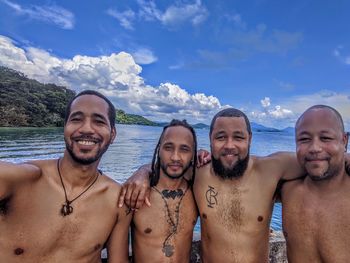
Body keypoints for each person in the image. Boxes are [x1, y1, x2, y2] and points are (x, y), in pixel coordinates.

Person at [119, 108, 306, 262]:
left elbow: (317, 161)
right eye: (221, 137)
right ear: (210, 139)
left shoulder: (271, 169)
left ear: (250, 138)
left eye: (238, 137)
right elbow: (171, 164)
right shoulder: (198, 173)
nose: (229, 145)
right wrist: (143, 171)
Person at [0, 90, 131, 263]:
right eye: (76, 119)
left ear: (112, 134)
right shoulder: (20, 180)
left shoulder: (117, 201)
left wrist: (146, 170)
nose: (86, 129)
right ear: (65, 127)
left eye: (99, 121)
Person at [281, 105, 350, 262]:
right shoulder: (287, 190)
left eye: (325, 138)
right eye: (304, 139)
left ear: (344, 140)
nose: (314, 148)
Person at [131, 119, 198, 262]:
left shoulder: (197, 192)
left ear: (193, 154)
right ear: (159, 150)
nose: (175, 157)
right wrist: (143, 171)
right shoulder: (136, 194)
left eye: (184, 149)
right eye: (168, 148)